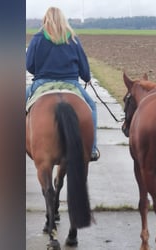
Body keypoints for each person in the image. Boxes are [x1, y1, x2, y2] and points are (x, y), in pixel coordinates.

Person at [26, 6, 100, 161]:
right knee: (91, 107)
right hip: (71, 83)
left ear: (46, 20)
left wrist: (41, 73)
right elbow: (84, 66)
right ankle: (92, 148)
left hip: (42, 82)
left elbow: (29, 65)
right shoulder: (73, 39)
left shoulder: (38, 38)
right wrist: (86, 77)